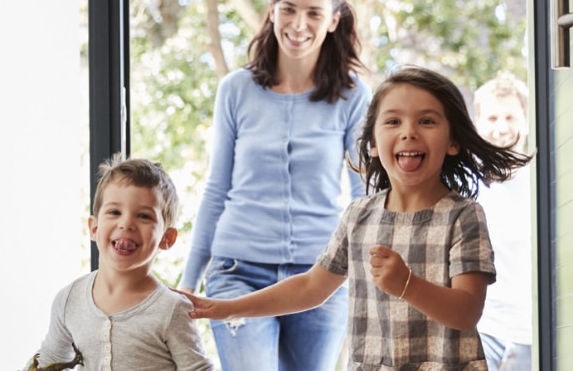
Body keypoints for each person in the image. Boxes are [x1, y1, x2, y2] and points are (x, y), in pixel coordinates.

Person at [181, 65, 533, 370]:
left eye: (426, 121)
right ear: (374, 146)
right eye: (393, 121)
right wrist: (226, 308)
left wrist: (407, 285)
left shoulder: (464, 216)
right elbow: (309, 287)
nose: (409, 131)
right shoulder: (359, 216)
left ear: (453, 141)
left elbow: (467, 311)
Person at [177, 0, 371, 371]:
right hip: (237, 271)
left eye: (314, 13)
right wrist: (188, 280)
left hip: (321, 276)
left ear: (333, 20)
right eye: (289, 9)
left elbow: (363, 198)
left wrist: (369, 276)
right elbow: (217, 187)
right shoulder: (236, 90)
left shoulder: (353, 96)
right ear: (272, 10)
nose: (299, 24)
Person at [26, 155, 214, 371]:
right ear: (94, 227)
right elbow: (49, 360)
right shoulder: (69, 300)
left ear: (167, 238)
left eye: (143, 216)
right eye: (114, 212)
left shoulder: (172, 309)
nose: (126, 224)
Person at [471, 72, 535, 370]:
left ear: (525, 119)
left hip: (531, 331)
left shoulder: (542, 179)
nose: (501, 128)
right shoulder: (464, 183)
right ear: (478, 123)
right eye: (493, 118)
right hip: (482, 327)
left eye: (510, 117)